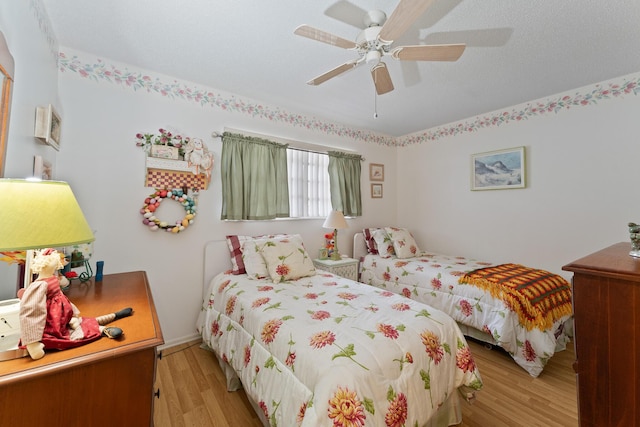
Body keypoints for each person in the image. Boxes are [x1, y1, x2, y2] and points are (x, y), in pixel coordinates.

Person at [19, 248, 132, 360]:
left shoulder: (53, 278)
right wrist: (32, 342)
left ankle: (115, 315)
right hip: (53, 322)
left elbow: (62, 286)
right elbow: (32, 311)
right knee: (74, 330)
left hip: (64, 316)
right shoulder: (40, 285)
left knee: (80, 321)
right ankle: (103, 329)